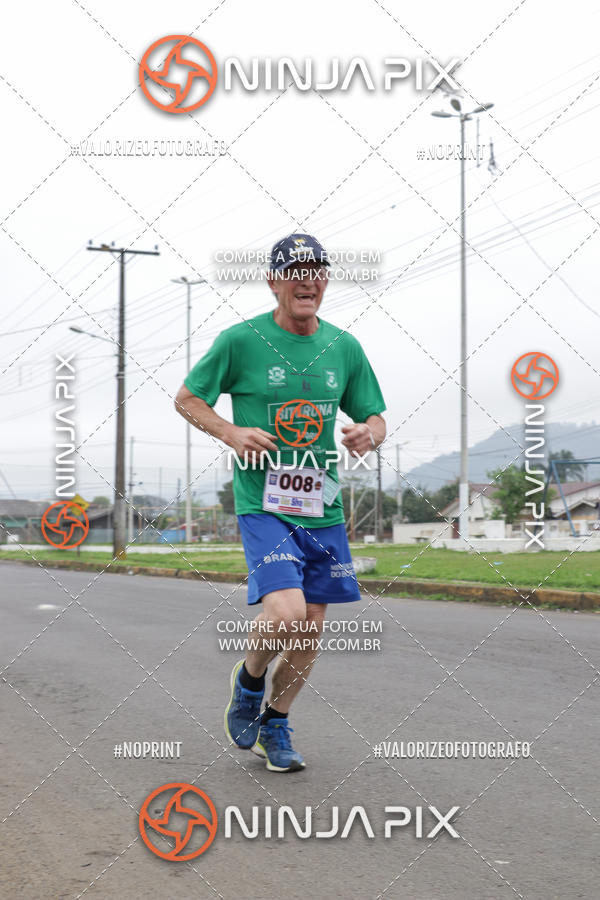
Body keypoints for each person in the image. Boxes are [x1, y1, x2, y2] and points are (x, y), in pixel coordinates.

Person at [175, 233, 386, 773]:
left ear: (325, 282)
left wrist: (369, 432)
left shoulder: (345, 346)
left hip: (324, 508)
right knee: (287, 613)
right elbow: (187, 398)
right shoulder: (240, 341)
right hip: (263, 503)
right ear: (273, 282)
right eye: (294, 271)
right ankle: (249, 680)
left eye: (315, 270)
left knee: (311, 626)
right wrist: (230, 432)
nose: (306, 279)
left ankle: (276, 721)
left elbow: (376, 415)